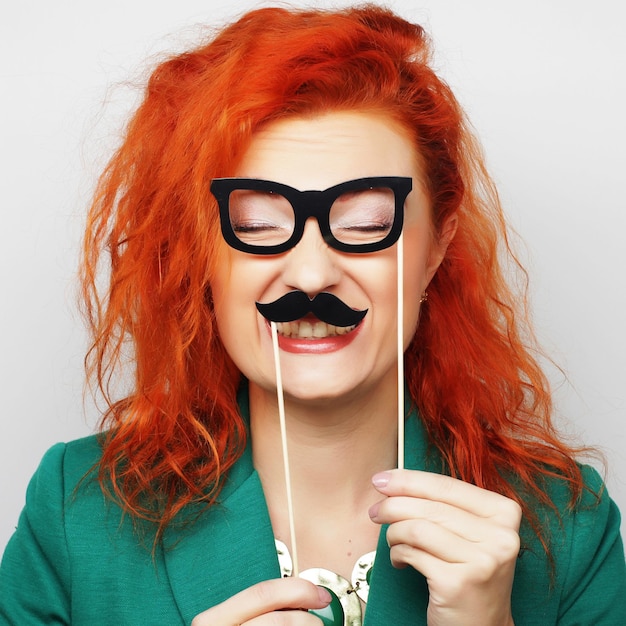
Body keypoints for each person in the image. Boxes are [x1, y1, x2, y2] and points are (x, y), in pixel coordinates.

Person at [1, 4, 624, 625]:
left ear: (436, 248)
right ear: (200, 258)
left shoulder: (568, 526)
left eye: (366, 225)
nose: (310, 275)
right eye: (256, 225)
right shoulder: (74, 510)